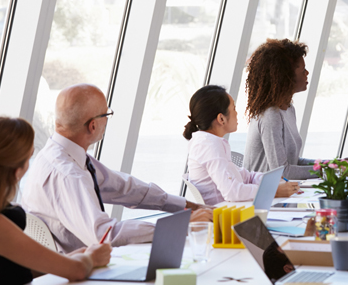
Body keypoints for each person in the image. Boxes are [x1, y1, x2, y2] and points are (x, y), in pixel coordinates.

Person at [22, 84, 213, 253]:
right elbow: (105, 235)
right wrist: (181, 225)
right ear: (93, 125)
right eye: (107, 114)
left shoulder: (58, 154)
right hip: (81, 275)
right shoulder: (68, 174)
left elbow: (123, 188)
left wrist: (187, 207)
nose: (108, 121)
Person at [0, 117, 111, 285]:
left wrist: (74, 258)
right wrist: (91, 258)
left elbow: (14, 270)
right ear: (17, 171)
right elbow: (77, 271)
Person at [184, 85, 299, 205]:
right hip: (226, 217)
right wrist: (273, 190)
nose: (237, 113)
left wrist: (272, 181)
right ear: (221, 118)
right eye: (233, 108)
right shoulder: (208, 145)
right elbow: (232, 192)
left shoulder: (210, 142)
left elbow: (246, 176)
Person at [243, 39, 317, 180]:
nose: (307, 73)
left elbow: (292, 162)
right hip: (267, 199)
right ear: (285, 77)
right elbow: (283, 173)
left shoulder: (288, 109)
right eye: (302, 69)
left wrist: (331, 165)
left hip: (283, 194)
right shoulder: (270, 115)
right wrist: (329, 171)